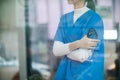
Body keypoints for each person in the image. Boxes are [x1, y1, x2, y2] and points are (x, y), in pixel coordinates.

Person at [53, 0, 104, 80]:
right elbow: (56, 51)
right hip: (66, 73)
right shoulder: (64, 19)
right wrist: (79, 43)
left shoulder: (94, 19)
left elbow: (82, 55)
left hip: (86, 74)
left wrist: (64, 49)